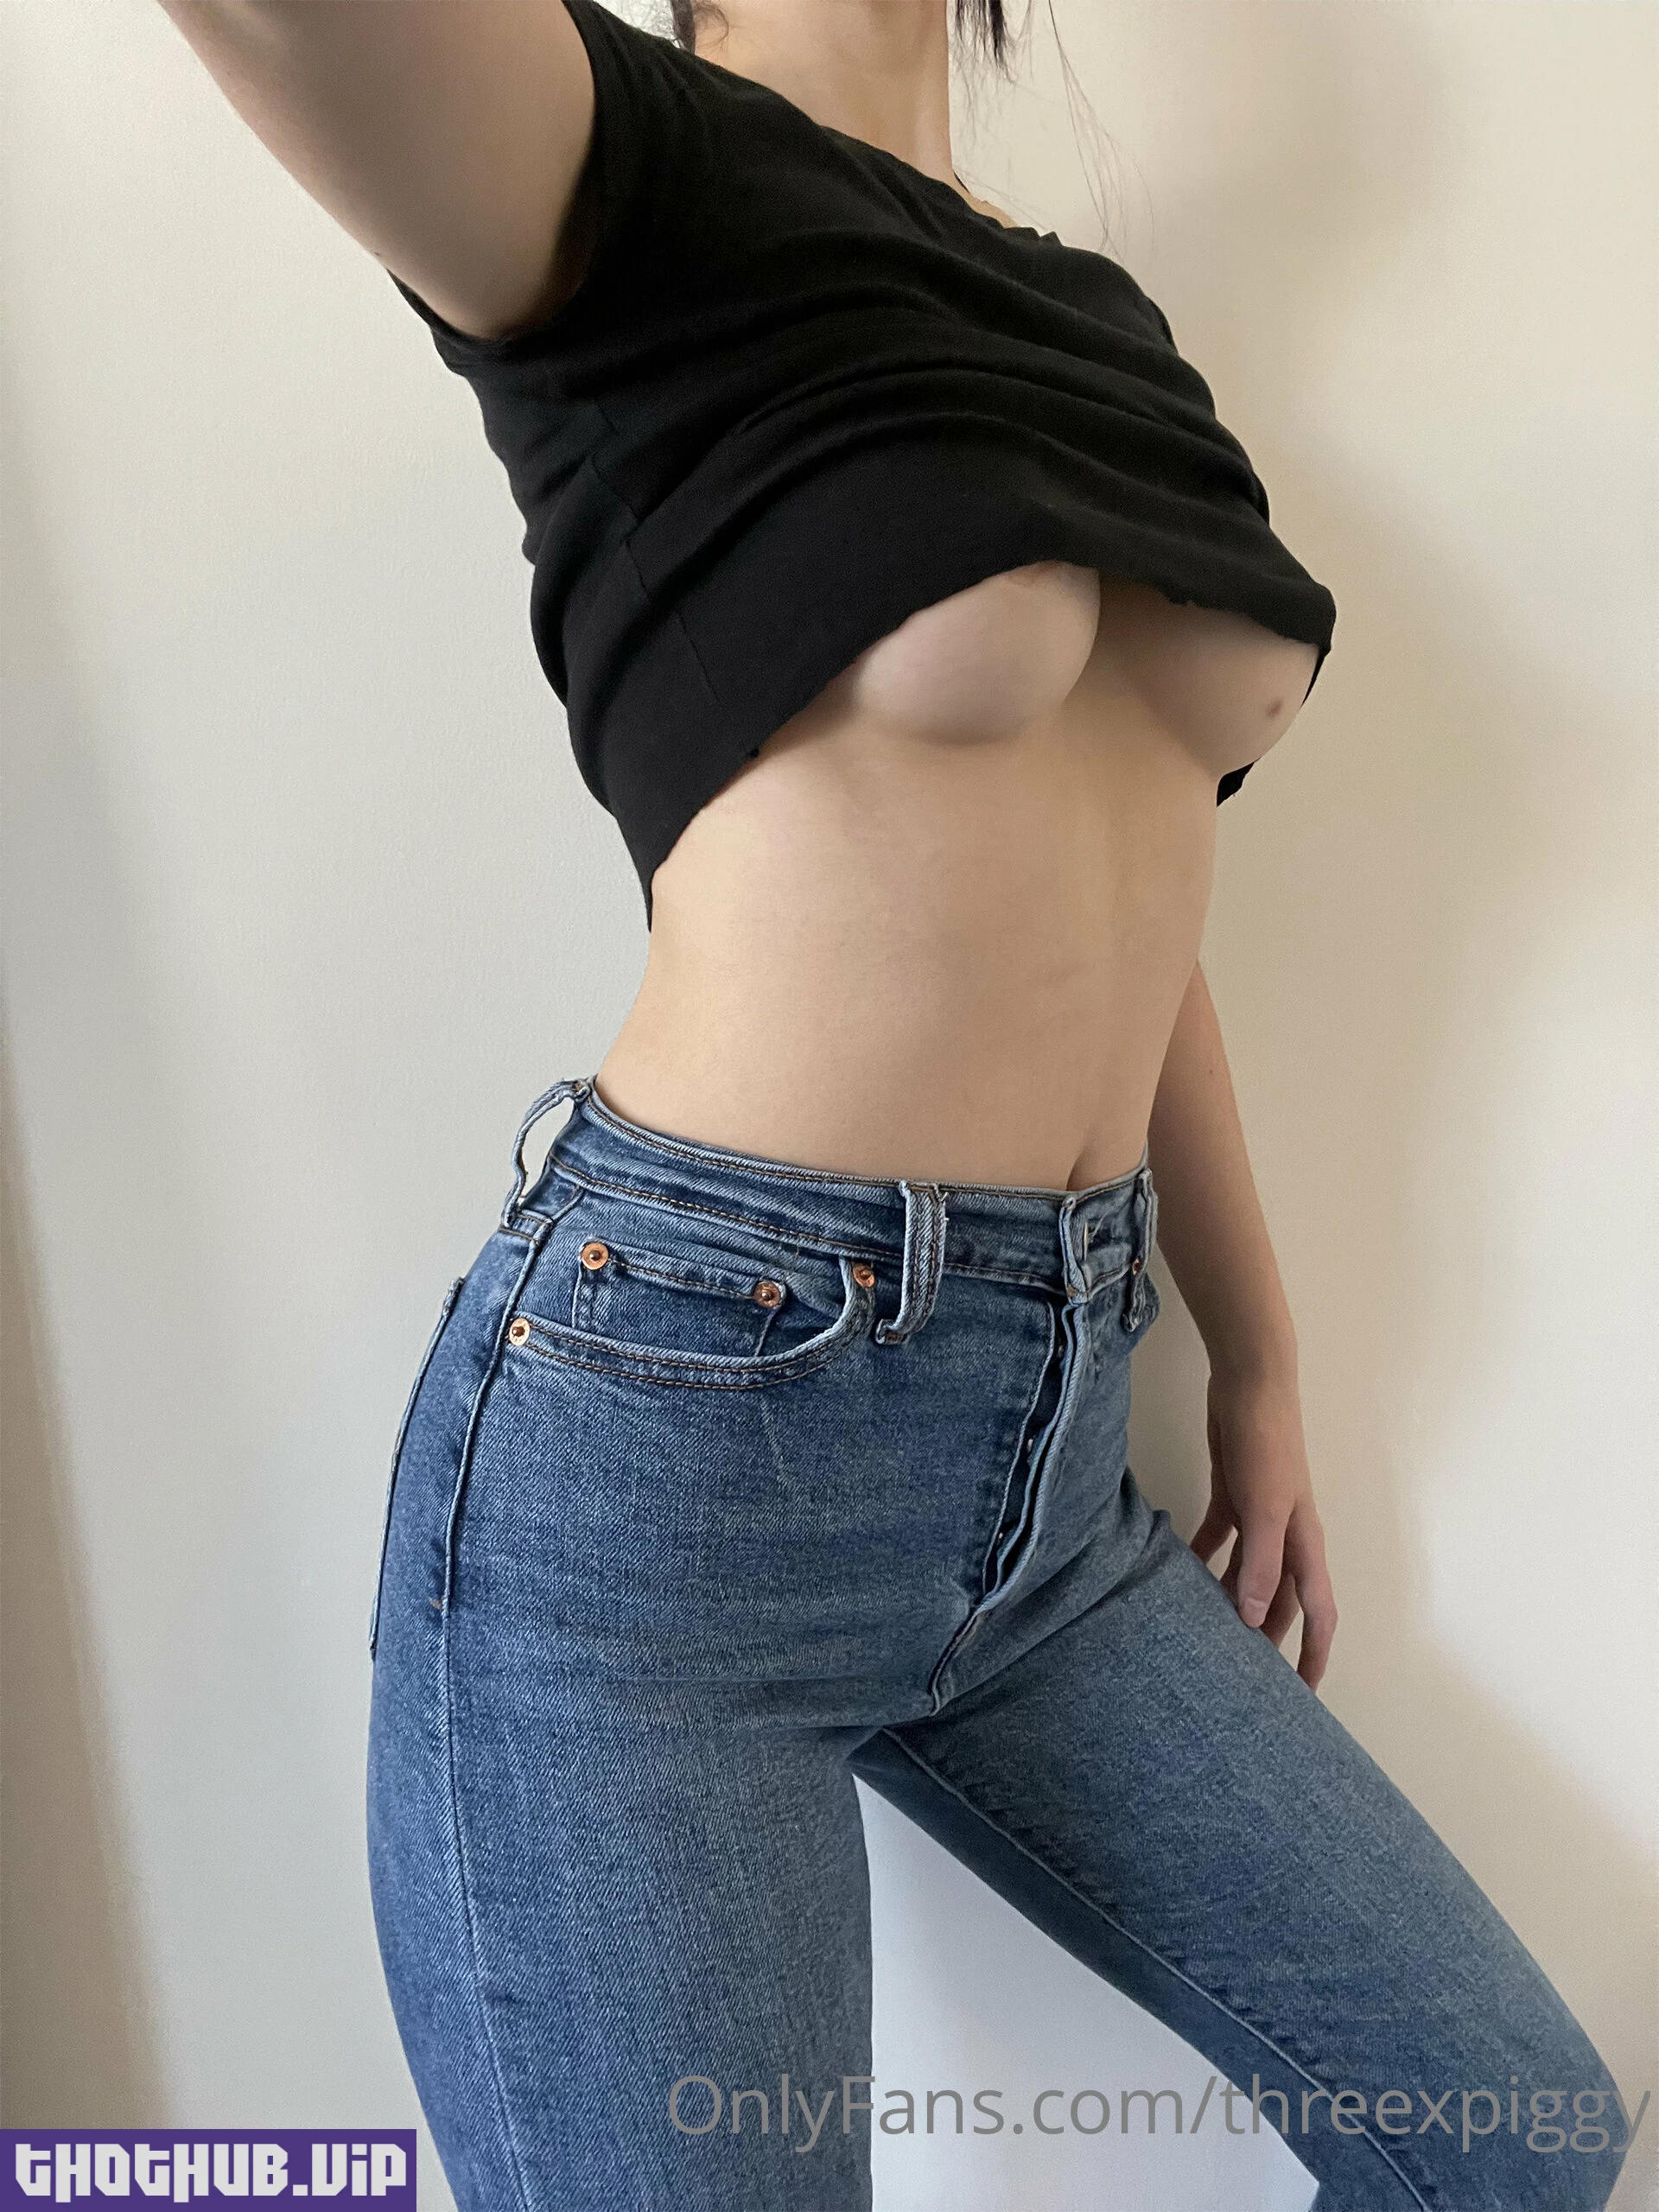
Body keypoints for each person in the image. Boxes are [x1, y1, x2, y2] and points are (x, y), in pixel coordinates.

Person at [156, 2, 1629, 2205]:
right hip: (672, 1475)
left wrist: (1260, 1349)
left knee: (1508, 2129)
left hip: (1051, 1482)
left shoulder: (1098, 323)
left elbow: (1133, 883)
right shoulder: (617, 167)